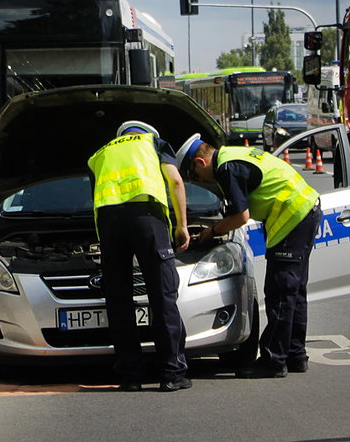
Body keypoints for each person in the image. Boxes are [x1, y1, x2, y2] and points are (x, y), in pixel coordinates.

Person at [176, 133, 321, 378]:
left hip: (292, 216)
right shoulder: (233, 154)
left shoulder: (225, 167)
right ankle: (296, 355)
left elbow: (240, 217)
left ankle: (273, 361)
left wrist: (211, 232)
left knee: (281, 291)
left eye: (195, 175)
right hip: (305, 209)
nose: (198, 180)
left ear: (200, 163)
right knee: (295, 292)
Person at [87, 120, 191, 392]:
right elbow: (175, 180)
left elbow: (96, 194)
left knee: (119, 301)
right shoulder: (153, 143)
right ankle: (172, 373)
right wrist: (182, 226)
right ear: (147, 133)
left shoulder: (101, 153)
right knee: (162, 296)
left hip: (110, 224)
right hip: (147, 219)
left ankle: (130, 376)